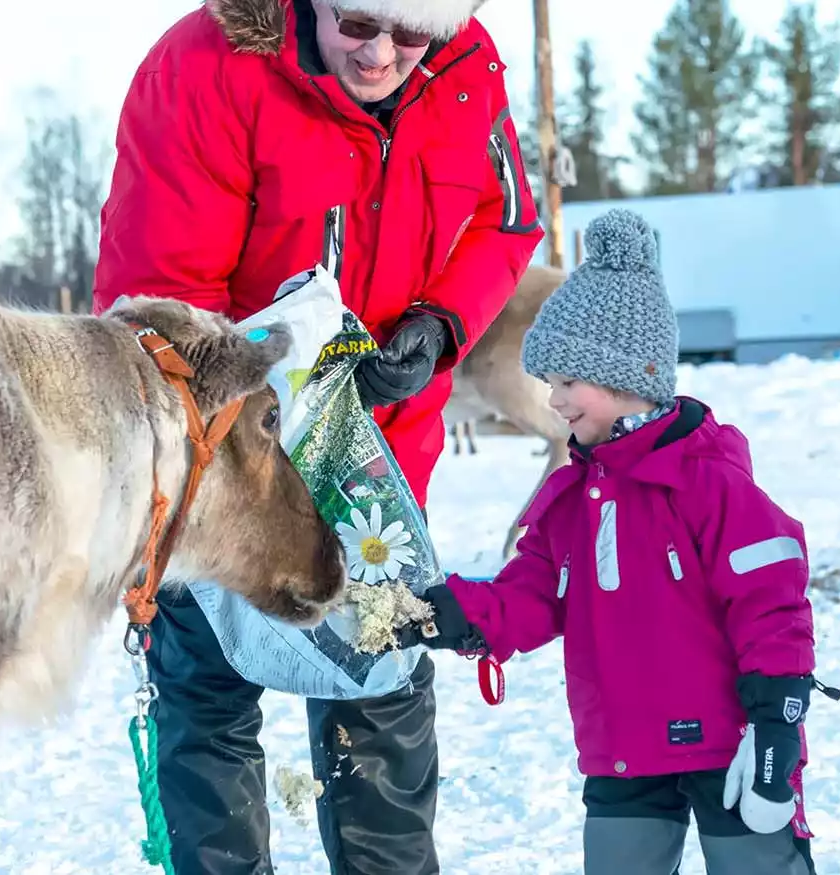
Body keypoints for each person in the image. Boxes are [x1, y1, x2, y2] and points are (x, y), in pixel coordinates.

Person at [91, 0, 543, 871]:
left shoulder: (467, 70)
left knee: (382, 711)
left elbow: (507, 219)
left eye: (412, 35)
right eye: (359, 22)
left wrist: (443, 324)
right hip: (221, 472)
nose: (381, 55)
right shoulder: (208, 67)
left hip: (379, 473)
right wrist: (292, 375)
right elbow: (162, 308)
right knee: (207, 705)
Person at [396, 209, 826, 875]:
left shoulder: (710, 481)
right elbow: (531, 598)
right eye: (550, 383)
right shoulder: (571, 498)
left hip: (731, 748)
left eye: (568, 382)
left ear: (630, 379)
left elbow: (772, 603)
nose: (555, 400)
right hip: (624, 756)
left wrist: (776, 726)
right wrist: (449, 613)